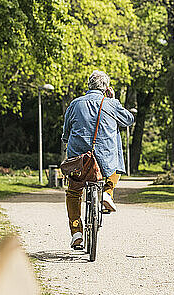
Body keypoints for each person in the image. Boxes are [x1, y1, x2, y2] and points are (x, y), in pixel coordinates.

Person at [61, 70, 134, 249]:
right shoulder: (111, 104)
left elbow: (66, 133)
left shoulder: (75, 104)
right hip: (105, 161)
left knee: (74, 192)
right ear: (106, 88)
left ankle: (77, 232)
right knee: (115, 150)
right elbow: (129, 120)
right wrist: (114, 100)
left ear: (88, 86)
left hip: (80, 161)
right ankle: (107, 193)